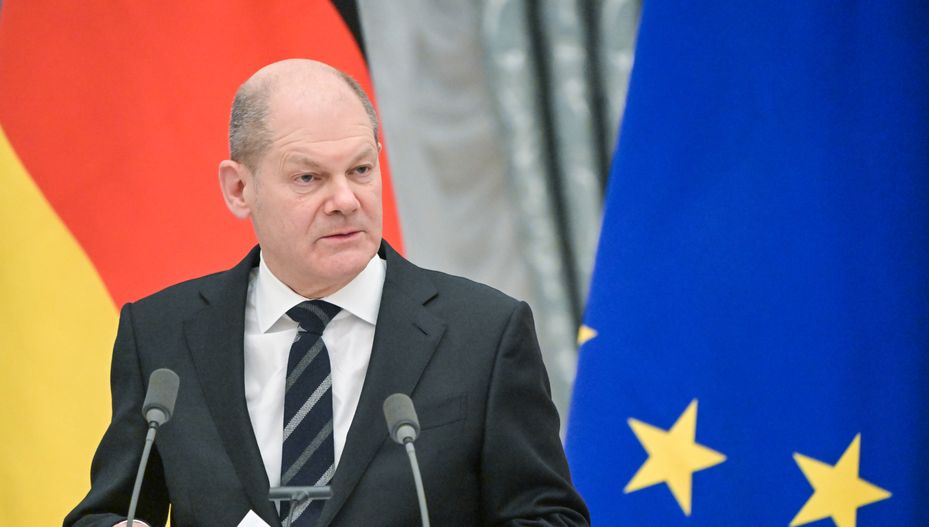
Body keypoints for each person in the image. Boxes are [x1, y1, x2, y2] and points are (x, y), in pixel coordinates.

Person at [65, 59, 589, 527]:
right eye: (309, 178)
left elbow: (550, 517)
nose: (345, 200)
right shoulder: (161, 334)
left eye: (361, 170)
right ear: (239, 188)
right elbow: (112, 508)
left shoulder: (485, 332)